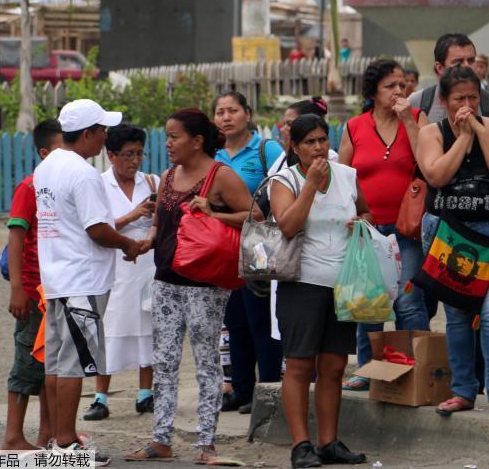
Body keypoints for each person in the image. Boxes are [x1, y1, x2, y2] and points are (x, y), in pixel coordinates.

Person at [125, 109, 257, 463]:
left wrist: (213, 213)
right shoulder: (167, 177)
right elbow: (160, 222)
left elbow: (255, 216)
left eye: (174, 136)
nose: (167, 143)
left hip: (206, 285)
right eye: (167, 136)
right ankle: (161, 440)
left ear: (197, 142)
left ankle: (206, 445)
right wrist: (146, 242)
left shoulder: (221, 176)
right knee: (164, 360)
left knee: (205, 361)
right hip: (165, 281)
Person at [34, 100, 143, 463]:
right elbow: (97, 229)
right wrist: (128, 244)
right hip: (82, 280)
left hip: (57, 277)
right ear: (88, 133)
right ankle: (66, 443)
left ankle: (53, 437)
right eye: (102, 131)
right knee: (75, 365)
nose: (105, 138)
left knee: (56, 363)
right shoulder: (83, 173)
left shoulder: (47, 167)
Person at [269, 114, 371, 468]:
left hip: (344, 281)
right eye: (309, 142)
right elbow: (288, 225)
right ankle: (301, 444)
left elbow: (367, 212)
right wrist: (310, 185)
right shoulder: (285, 179)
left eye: (322, 140)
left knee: (334, 365)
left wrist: (362, 223)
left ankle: (329, 441)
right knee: (299, 365)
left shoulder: (347, 174)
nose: (317, 147)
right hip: (302, 282)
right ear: (294, 147)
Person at [416, 66, 489, 419]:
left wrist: (478, 130)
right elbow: (436, 175)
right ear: (443, 101)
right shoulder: (431, 132)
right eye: (459, 98)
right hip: (450, 235)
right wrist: (462, 139)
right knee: (457, 316)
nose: (467, 104)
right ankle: (462, 390)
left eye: (473, 98)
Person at [339, 59, 429, 391]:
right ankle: (368, 368)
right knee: (370, 300)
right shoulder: (354, 127)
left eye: (402, 84)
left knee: (407, 299)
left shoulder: (417, 118)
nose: (399, 90)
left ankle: (414, 366)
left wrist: (408, 119)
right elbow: (343, 177)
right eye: (390, 85)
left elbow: (428, 162)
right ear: (374, 91)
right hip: (368, 227)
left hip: (408, 228)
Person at [213, 91, 285, 414]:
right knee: (234, 321)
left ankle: (267, 389)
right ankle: (241, 389)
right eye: (220, 112)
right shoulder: (213, 155)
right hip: (225, 246)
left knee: (260, 319)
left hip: (260, 244)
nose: (226, 117)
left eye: (232, 110)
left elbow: (282, 188)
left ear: (247, 114)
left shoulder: (266, 149)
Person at [82, 125, 159, 421]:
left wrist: (149, 234)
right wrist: (133, 215)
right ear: (111, 155)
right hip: (113, 266)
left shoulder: (151, 182)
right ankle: (100, 397)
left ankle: (145, 393)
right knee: (109, 329)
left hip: (146, 264)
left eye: (139, 153)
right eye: (128, 154)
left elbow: (161, 221)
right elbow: (96, 226)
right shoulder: (98, 185)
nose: (135, 161)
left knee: (147, 326)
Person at [2, 120, 62, 450]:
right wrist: (17, 289)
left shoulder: (56, 187)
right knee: (26, 363)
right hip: (31, 290)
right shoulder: (30, 186)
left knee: (47, 364)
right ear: (43, 153)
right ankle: (13, 437)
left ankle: (46, 434)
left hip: (52, 290)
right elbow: (16, 236)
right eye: (60, 148)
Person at [408, 33, 489, 157]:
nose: (467, 66)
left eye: (471, 60)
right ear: (439, 67)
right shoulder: (419, 101)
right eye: (458, 62)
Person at [268, 98, 337, 175]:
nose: (282, 130)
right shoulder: (283, 156)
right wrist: (289, 154)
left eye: (290, 124)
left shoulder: (331, 158)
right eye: (284, 124)